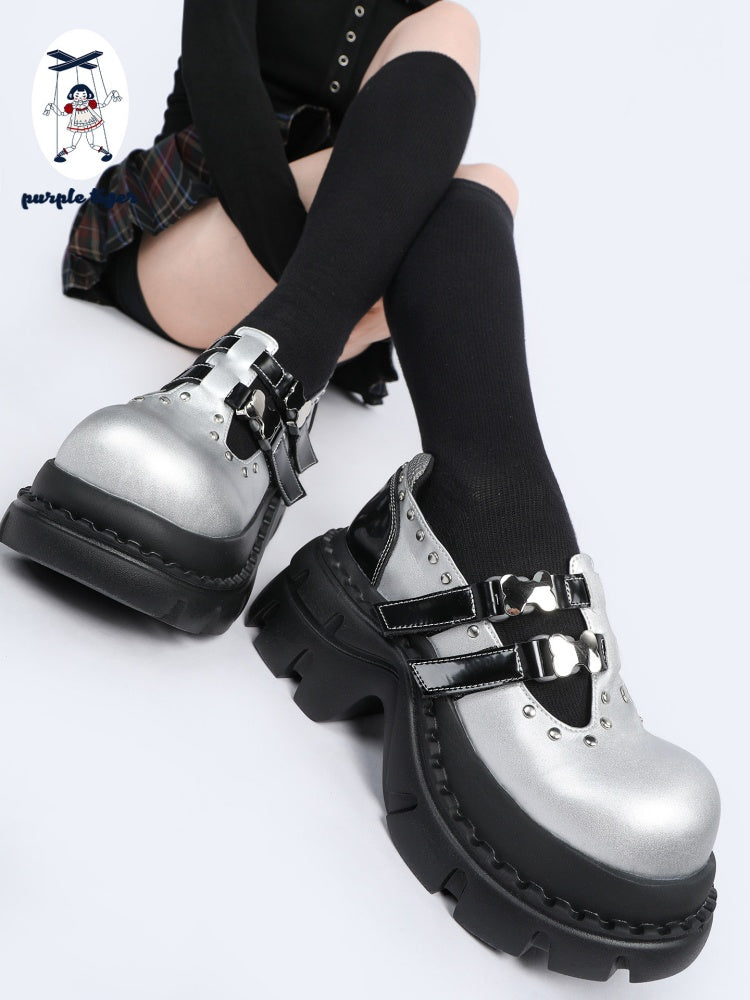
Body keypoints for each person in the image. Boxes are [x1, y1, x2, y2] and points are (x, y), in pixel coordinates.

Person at [1, 0, 719, 982]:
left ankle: (411, 466)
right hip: (197, 232)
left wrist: (363, 243)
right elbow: (226, 113)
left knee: (474, 178)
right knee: (435, 187)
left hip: (339, 254)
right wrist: (342, 273)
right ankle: (303, 372)